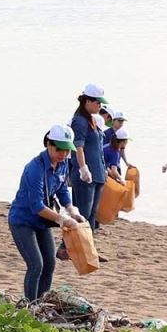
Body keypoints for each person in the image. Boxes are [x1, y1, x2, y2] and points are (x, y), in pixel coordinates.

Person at [7, 125, 86, 302]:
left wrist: (72, 210)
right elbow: (37, 206)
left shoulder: (63, 164)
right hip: (23, 221)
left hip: (42, 222)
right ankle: (29, 306)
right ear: (48, 144)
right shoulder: (34, 168)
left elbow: (62, 190)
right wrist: (62, 219)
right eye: (59, 149)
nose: (63, 154)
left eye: (67, 150)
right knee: (36, 265)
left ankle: (41, 303)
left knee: (50, 264)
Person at [69, 85, 108, 228]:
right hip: (86, 177)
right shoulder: (79, 121)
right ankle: (67, 247)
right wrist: (83, 168)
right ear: (87, 101)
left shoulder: (92, 120)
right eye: (97, 102)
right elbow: (78, 146)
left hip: (97, 175)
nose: (100, 105)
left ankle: (86, 247)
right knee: (83, 216)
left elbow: (97, 149)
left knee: (91, 215)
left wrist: (104, 169)